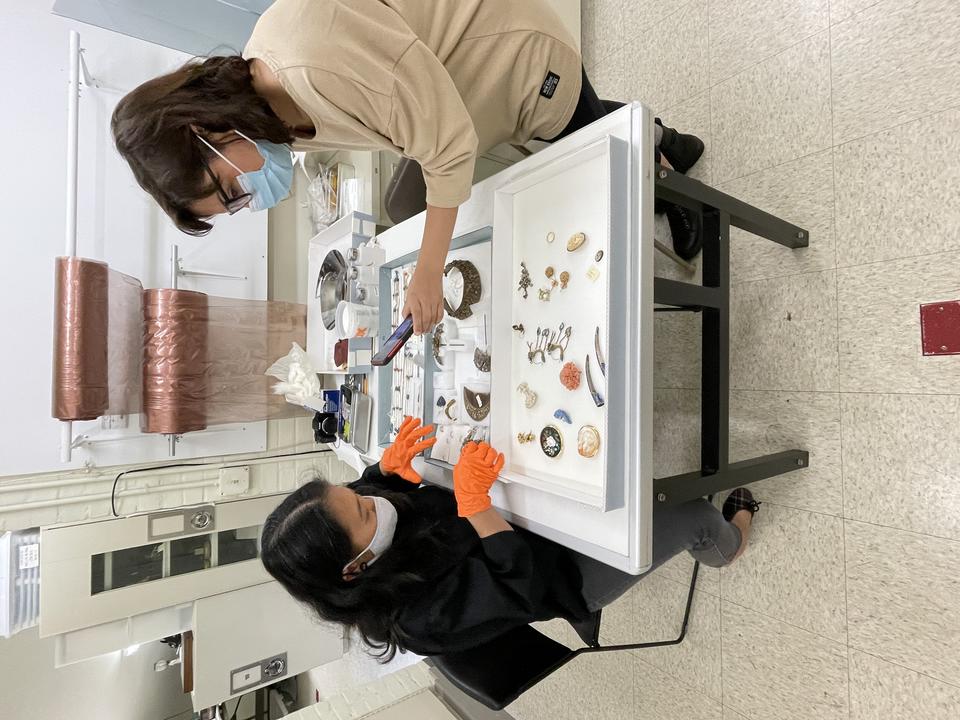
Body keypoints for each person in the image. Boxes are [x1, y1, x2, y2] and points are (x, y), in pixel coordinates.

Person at [111, 0, 705, 336]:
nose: (251, 197)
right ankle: (668, 141)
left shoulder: (311, 66)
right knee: (413, 200)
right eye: (236, 203)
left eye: (230, 188)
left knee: (590, 138)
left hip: (513, 53)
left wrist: (428, 271)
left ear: (206, 129)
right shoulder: (268, 109)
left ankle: (670, 185)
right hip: (459, 82)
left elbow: (448, 148)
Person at [260, 417, 759, 658]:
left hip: (518, 516)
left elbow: (365, 491)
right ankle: (727, 545)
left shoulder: (358, 514)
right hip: (559, 573)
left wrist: (385, 470)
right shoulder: (418, 621)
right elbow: (521, 586)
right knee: (692, 514)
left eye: (352, 492)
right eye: (365, 509)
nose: (369, 496)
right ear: (356, 568)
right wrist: (474, 505)